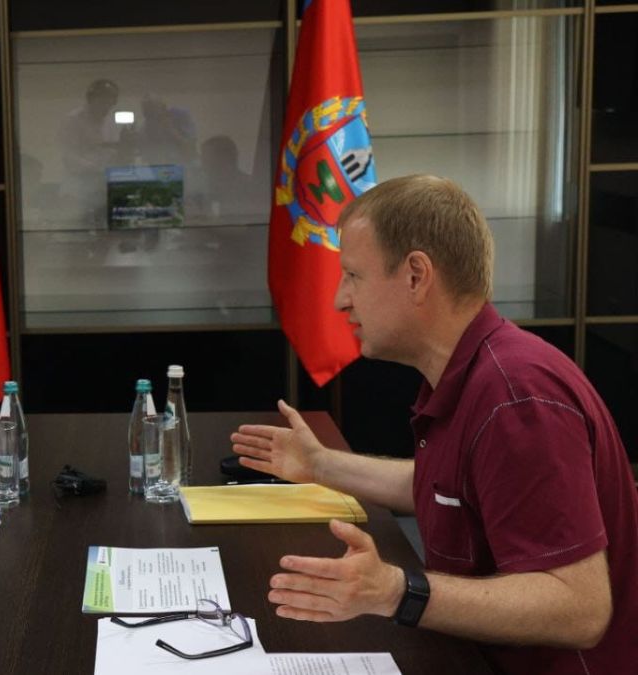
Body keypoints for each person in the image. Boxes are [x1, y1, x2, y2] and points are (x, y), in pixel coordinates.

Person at [231, 175, 637, 673]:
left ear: (416, 276)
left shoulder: (515, 396)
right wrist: (320, 465)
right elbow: (446, 485)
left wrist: (398, 591)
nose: (340, 299)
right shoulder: (474, 372)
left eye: (353, 275)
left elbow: (579, 608)